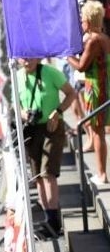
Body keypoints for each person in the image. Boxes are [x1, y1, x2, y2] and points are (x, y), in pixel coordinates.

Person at [13, 58, 76, 239]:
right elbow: (15, 104)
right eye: (22, 57)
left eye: (29, 56)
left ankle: (54, 220)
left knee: (48, 173)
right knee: (37, 176)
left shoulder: (50, 72)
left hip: (52, 127)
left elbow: (71, 94)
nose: (26, 61)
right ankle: (48, 216)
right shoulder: (17, 76)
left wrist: (58, 111)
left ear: (37, 57)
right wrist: (24, 113)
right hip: (31, 129)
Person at [67, 0, 110, 184]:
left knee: (97, 130)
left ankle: (102, 174)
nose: (81, 23)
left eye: (83, 20)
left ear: (89, 21)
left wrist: (67, 55)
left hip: (96, 88)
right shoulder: (104, 37)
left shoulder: (93, 40)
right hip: (102, 85)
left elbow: (82, 67)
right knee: (98, 130)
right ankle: (102, 173)